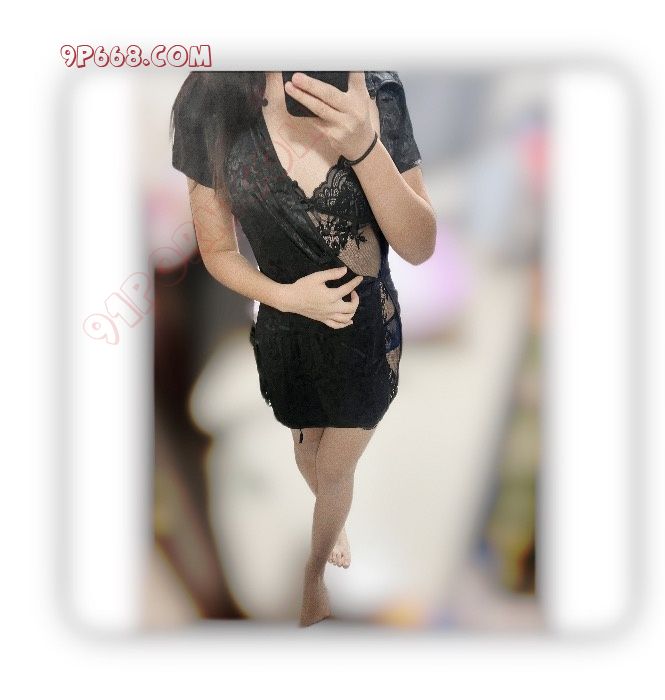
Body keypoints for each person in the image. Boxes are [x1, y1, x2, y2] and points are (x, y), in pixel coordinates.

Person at [170, 71, 436, 626]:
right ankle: (329, 528)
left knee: (336, 467)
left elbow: (419, 245)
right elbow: (218, 250)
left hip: (366, 327)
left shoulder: (374, 90)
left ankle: (314, 579)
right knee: (307, 448)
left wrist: (363, 146)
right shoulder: (207, 100)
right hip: (285, 325)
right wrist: (289, 299)